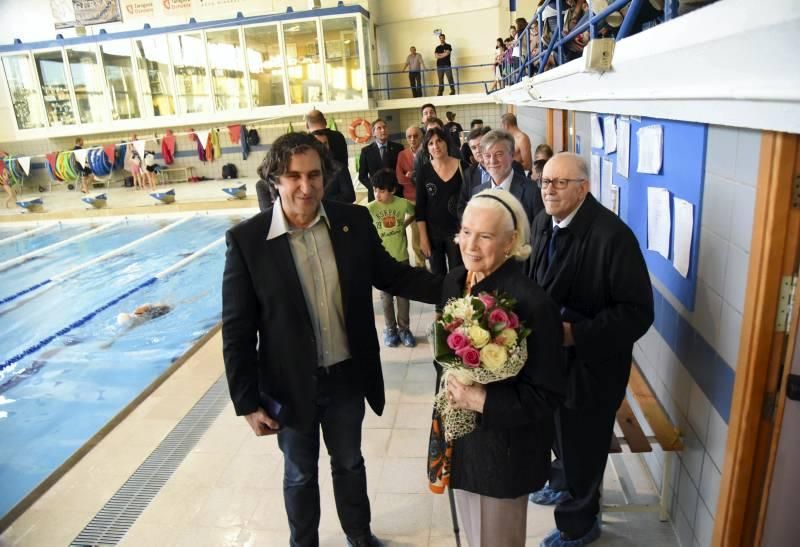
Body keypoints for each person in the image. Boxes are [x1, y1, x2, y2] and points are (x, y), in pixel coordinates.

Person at [222, 132, 442, 547]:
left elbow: (392, 275)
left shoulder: (352, 222)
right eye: (293, 177)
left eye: (314, 175)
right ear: (275, 181)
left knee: (350, 464)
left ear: (326, 176)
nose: (306, 187)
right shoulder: (248, 242)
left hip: (345, 376)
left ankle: (359, 536)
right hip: (289, 384)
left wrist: (454, 286)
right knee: (300, 472)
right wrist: (247, 402)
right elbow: (237, 330)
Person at [527, 153, 654, 547]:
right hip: (552, 363)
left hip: (592, 368)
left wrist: (575, 336)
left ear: (584, 188)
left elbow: (637, 314)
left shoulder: (612, 237)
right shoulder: (543, 222)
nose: (548, 189)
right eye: (545, 181)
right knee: (559, 434)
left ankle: (579, 524)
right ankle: (563, 480)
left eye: (559, 183)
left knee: (584, 445)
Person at [439, 188, 565, 547]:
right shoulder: (457, 281)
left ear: (511, 242)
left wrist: (481, 400)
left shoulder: (531, 303)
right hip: (462, 441)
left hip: (504, 452)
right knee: (472, 532)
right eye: (465, 231)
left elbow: (547, 394)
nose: (471, 245)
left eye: (486, 236)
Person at [366, 169, 417, 348]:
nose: (377, 195)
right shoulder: (370, 208)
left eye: (381, 190)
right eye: (375, 190)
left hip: (401, 257)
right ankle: (391, 330)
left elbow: (415, 211)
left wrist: (405, 224)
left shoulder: (402, 204)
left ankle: (405, 329)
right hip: (381, 261)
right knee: (386, 299)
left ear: (392, 190)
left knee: (403, 296)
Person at [463, 130, 541, 225]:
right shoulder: (477, 192)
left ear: (512, 155)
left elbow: (538, 235)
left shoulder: (532, 191)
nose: (492, 161)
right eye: (487, 155)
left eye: (499, 154)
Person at [415, 127, 463, 275]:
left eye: (439, 141)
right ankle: (441, 300)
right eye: (430, 143)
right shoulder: (424, 171)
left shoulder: (463, 167)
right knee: (437, 277)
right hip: (433, 233)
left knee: (458, 276)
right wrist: (423, 238)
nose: (435, 146)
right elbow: (420, 207)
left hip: (457, 231)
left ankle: (458, 300)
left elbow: (469, 203)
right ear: (427, 148)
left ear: (447, 142)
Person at [396, 125, 426, 267]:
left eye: (416, 135)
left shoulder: (428, 152)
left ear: (421, 136)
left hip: (429, 198)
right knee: (416, 235)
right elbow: (400, 179)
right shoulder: (403, 155)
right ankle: (421, 266)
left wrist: (412, 176)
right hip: (412, 199)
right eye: (409, 136)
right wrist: (415, 178)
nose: (413, 139)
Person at [357, 118, 404, 202]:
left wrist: (396, 186)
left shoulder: (398, 148)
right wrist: (374, 187)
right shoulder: (366, 151)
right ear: (373, 133)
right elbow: (362, 176)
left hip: (395, 194)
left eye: (384, 127)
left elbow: (402, 171)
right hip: (376, 196)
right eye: (379, 128)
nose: (383, 130)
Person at [311, 129, 356, 203]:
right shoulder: (305, 170)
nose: (323, 147)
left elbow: (350, 196)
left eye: (325, 143)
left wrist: (322, 201)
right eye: (319, 144)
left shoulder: (340, 168)